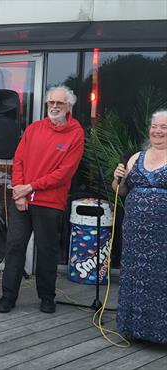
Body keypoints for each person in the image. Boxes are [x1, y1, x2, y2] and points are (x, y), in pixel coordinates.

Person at [0, 85, 85, 314]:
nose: (54, 107)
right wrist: (19, 191)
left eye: (59, 103)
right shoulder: (34, 128)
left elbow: (64, 173)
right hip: (22, 199)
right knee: (15, 247)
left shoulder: (76, 133)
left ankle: (47, 297)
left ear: (69, 107)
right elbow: (19, 161)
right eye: (51, 103)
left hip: (49, 201)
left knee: (47, 251)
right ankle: (8, 296)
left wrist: (30, 187)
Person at [112, 110, 167, 344]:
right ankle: (134, 329)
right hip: (136, 233)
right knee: (135, 276)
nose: (158, 131)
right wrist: (117, 178)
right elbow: (121, 191)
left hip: (163, 234)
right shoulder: (136, 157)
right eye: (155, 126)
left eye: (164, 127)